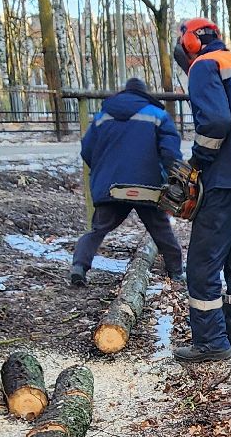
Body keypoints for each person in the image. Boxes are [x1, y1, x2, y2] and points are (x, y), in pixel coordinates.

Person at [171, 17, 231, 363]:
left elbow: (216, 122)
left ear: (191, 43)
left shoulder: (204, 66)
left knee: (202, 264)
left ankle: (211, 343)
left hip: (225, 179)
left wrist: (198, 161)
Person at [70, 77, 186, 287]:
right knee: (160, 228)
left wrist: (104, 172)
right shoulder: (158, 115)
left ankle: (79, 266)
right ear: (145, 94)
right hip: (147, 186)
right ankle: (176, 271)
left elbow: (87, 150)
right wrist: (175, 180)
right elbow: (170, 154)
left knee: (98, 229)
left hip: (111, 186)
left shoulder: (101, 116)